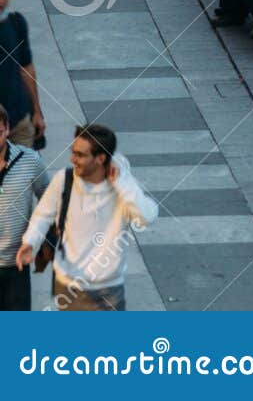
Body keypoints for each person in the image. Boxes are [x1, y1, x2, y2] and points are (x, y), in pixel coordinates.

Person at [16, 122, 157, 311]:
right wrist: (30, 242)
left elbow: (147, 216)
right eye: (73, 151)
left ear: (100, 159)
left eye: (80, 154)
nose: (73, 159)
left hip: (108, 290)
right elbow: (42, 215)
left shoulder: (121, 188)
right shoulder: (63, 180)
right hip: (67, 285)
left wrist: (122, 183)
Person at [0, 102, 50, 310]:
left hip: (15, 266)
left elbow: (51, 202)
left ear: (7, 129)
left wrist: (37, 241)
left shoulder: (30, 160)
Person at [0, 0, 44, 148]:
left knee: (24, 172)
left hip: (19, 121)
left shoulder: (16, 24)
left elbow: (26, 68)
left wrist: (37, 111)